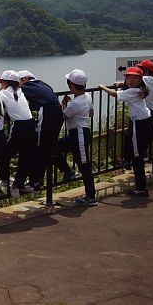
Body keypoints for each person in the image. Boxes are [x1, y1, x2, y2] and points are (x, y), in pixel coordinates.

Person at [99, 67, 153, 196]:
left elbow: (114, 94)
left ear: (140, 79)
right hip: (144, 122)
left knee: (137, 157)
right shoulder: (139, 90)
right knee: (129, 138)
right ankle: (127, 160)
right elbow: (126, 90)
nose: (131, 80)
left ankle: (141, 188)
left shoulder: (134, 91)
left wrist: (102, 87)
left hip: (139, 124)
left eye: (134, 78)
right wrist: (120, 85)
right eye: (128, 77)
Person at [20, 70, 78, 188]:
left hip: (48, 115)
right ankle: (67, 172)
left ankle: (36, 181)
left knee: (41, 146)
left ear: (25, 79)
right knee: (51, 145)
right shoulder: (43, 84)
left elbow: (13, 92)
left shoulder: (28, 85)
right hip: (57, 114)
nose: (19, 83)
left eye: (19, 80)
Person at [56, 69, 97, 206]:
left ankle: (91, 196)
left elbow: (63, 116)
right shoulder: (88, 96)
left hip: (78, 135)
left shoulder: (75, 103)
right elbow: (91, 113)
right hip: (81, 132)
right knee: (54, 147)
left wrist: (63, 105)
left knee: (84, 166)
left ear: (71, 86)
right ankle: (68, 171)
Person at [0, 70, 37, 197]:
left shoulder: (3, 93)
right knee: (26, 157)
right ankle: (18, 184)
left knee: (4, 154)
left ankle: (4, 182)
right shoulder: (21, 91)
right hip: (31, 125)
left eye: (1, 81)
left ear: (5, 82)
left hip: (20, 127)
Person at [137, 60, 153, 167]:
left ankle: (142, 161)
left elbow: (134, 83)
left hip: (150, 113)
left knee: (142, 138)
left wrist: (120, 84)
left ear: (146, 71)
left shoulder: (145, 79)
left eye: (140, 69)